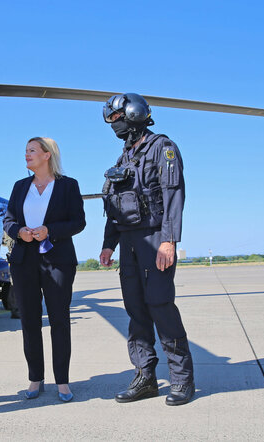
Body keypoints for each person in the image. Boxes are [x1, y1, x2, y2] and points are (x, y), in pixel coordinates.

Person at [100, 93, 195, 406]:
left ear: (133, 113)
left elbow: (173, 195)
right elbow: (115, 203)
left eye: (117, 118)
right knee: (136, 310)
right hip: (128, 242)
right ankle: (145, 378)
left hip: (155, 238)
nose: (114, 124)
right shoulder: (124, 158)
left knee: (160, 304)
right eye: (111, 120)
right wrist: (108, 244)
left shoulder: (162, 148)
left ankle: (181, 379)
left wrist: (169, 239)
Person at [3, 136, 86, 402]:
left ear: (47, 155)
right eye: (25, 151)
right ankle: (35, 378)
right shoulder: (19, 186)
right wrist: (20, 232)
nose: (26, 155)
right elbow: (8, 220)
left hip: (58, 261)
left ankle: (62, 381)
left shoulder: (68, 186)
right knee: (29, 322)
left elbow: (78, 222)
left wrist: (50, 230)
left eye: (31, 151)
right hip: (24, 261)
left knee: (60, 321)